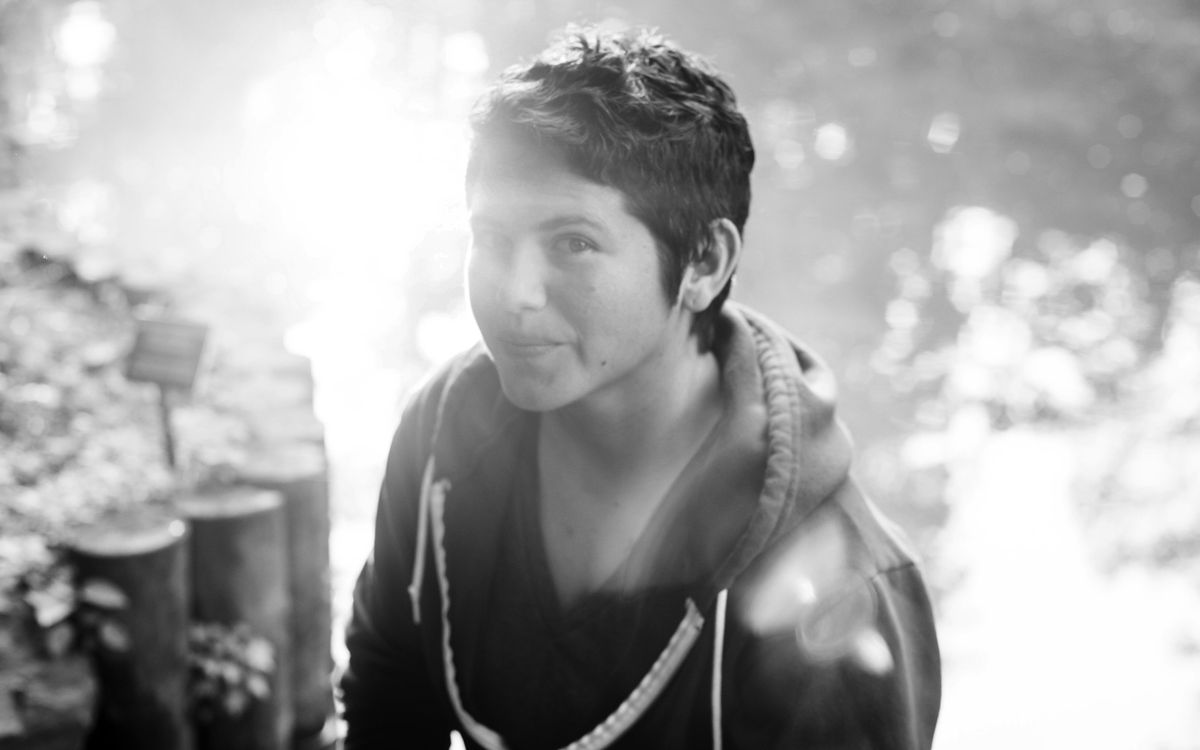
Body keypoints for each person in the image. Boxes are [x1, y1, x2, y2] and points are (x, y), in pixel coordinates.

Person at [340, 24, 941, 750]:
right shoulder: (443, 429)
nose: (514, 292)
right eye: (492, 239)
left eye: (574, 243)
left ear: (704, 263)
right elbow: (388, 683)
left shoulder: (835, 588)